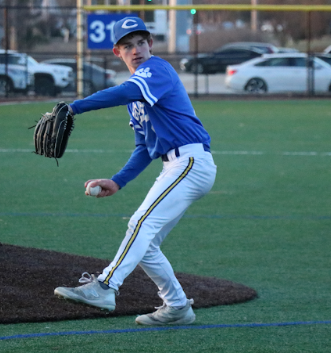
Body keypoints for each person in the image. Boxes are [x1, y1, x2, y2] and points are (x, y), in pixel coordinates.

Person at [54, 17, 217, 325]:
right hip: (177, 165)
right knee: (146, 242)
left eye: (140, 42)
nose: (136, 49)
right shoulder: (136, 95)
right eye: (128, 45)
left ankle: (104, 285)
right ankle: (178, 307)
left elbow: (123, 92)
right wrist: (118, 181)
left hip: (191, 162)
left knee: (139, 223)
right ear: (117, 52)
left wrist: (75, 107)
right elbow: (144, 147)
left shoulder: (156, 70)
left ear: (150, 44)